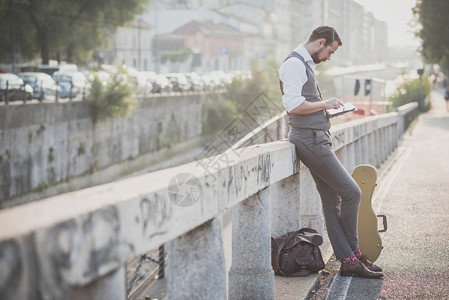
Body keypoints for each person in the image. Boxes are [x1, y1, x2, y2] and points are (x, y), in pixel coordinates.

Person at [278, 25, 383, 278]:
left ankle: (349, 260)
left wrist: (328, 110)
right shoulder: (294, 64)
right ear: (320, 42)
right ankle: (353, 254)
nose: (329, 57)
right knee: (352, 193)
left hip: (316, 137)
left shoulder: (305, 63)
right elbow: (292, 105)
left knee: (331, 202)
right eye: (330, 52)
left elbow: (305, 103)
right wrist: (325, 104)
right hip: (310, 140)